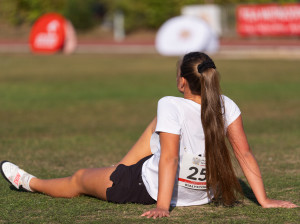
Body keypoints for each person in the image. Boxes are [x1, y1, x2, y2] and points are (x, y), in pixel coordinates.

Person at [1, 52, 297, 219]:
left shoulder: (171, 103)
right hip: (202, 194)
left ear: (182, 81)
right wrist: (265, 200)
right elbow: (244, 154)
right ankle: (121, 168)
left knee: (79, 178)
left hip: (149, 187)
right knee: (160, 124)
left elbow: (168, 158)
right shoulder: (226, 104)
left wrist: (161, 206)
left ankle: (28, 182)